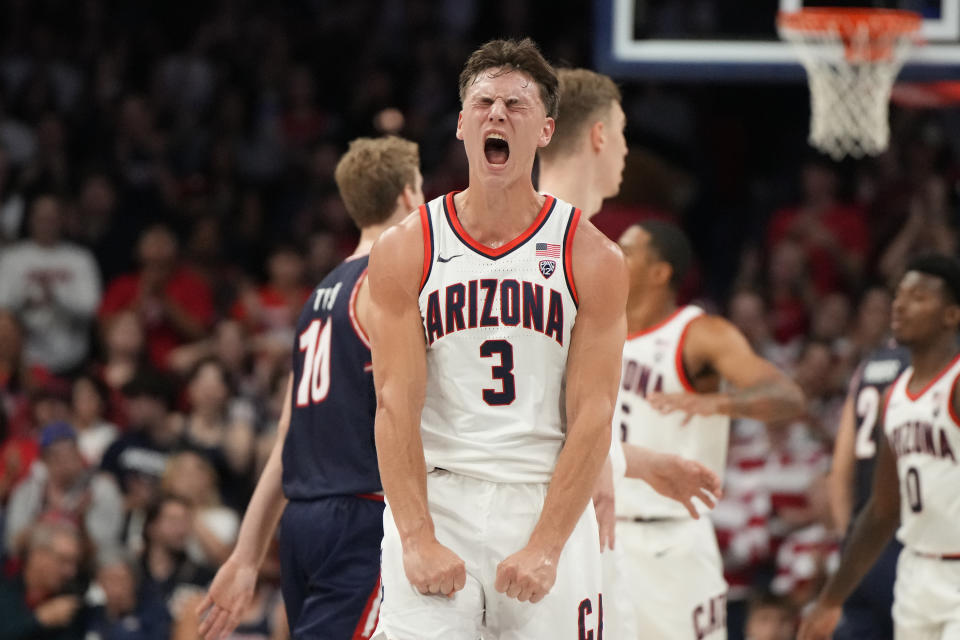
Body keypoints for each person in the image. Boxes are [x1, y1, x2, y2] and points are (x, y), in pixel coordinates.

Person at [368, 39, 626, 638]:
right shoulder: (408, 247)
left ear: (545, 131)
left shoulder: (592, 256)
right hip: (440, 495)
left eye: (516, 105)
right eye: (483, 103)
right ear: (461, 124)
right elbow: (393, 404)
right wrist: (415, 536)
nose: (497, 115)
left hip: (543, 495)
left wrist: (547, 543)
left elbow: (593, 412)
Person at [195, 135, 424, 639]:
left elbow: (286, 437)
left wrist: (246, 555)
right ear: (410, 195)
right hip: (363, 514)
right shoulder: (389, 282)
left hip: (302, 521)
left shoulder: (316, 298)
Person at [538, 66, 724, 638]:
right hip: (532, 530)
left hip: (580, 529)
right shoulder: (552, 250)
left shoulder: (586, 247)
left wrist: (627, 462)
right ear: (599, 135)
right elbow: (528, 422)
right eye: (622, 134)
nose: (626, 151)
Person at [613, 220, 805, 639]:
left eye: (627, 251)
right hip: (602, 535)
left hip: (670, 539)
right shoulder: (598, 330)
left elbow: (788, 396)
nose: (613, 253)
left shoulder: (699, 334)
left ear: (660, 272)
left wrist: (719, 402)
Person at [800, 253, 960, 640]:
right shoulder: (895, 396)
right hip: (916, 573)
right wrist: (830, 599)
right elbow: (882, 510)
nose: (900, 305)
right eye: (899, 295)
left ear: (951, 315)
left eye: (919, 297)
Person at [826, 334, 907, 639]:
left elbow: (840, 472)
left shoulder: (869, 365)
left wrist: (848, 541)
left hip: (862, 544)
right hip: (914, 545)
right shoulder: (939, 363)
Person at [0, 194, 102, 374]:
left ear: (62, 220)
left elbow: (92, 307)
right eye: (41, 218)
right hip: (25, 361)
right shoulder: (12, 258)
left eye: (52, 218)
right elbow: (3, 307)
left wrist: (56, 297)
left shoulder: (79, 258)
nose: (46, 224)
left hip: (73, 359)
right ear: (30, 219)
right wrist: (25, 299)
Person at [0, 521, 85, 640]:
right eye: (63, 560)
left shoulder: (70, 604)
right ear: (38, 556)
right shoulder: (5, 594)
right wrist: (38, 621)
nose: (71, 572)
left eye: (75, 563)